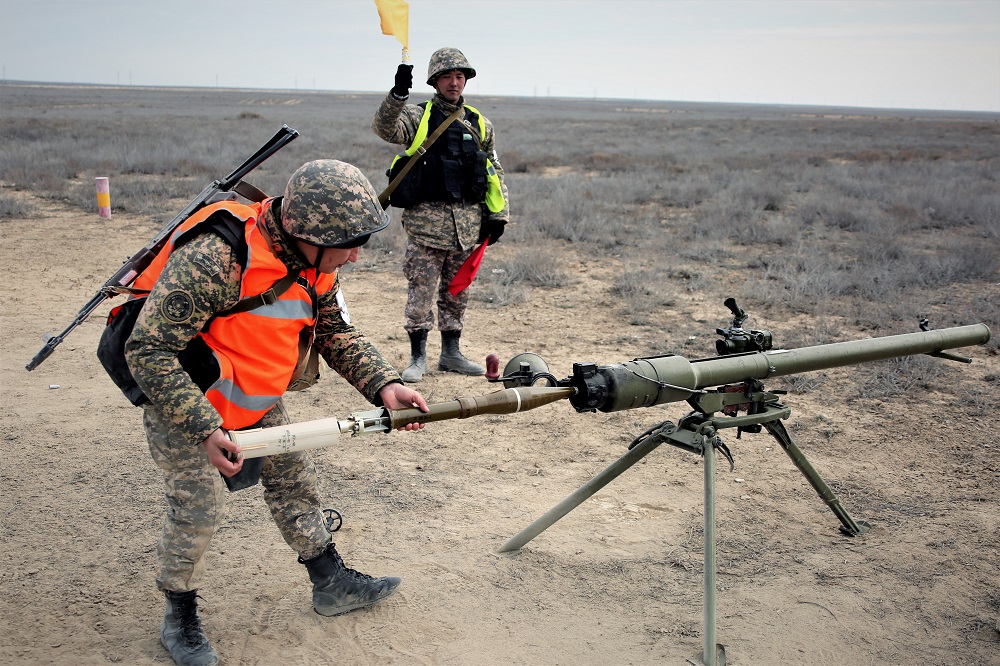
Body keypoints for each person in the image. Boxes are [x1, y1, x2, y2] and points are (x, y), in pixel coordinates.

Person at [125, 159, 429, 666]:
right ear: (309, 232)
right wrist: (204, 427)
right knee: (197, 510)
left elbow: (335, 331)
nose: (356, 256)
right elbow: (148, 351)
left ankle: (331, 582)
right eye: (351, 242)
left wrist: (385, 384)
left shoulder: (316, 262)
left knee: (293, 479)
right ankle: (178, 616)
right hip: (185, 402)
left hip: (256, 393)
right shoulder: (215, 257)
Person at [372, 47, 510, 382]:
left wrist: (498, 215)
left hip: (467, 229)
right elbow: (385, 128)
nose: (454, 82)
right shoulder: (419, 117)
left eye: (460, 76)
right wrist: (398, 95)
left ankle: (452, 355)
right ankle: (418, 358)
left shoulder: (479, 122)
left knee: (457, 293)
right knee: (421, 292)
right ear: (435, 80)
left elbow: (494, 170)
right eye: (447, 76)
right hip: (425, 230)